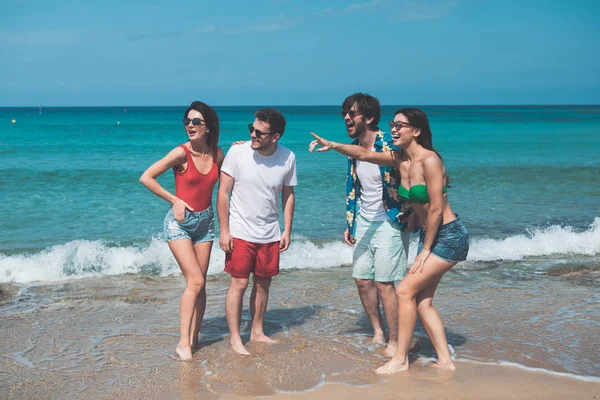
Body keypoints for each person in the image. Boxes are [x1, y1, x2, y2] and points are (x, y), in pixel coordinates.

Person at [309, 107, 469, 373]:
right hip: (431, 235)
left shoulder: (430, 160)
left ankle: (400, 358)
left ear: (416, 131)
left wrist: (425, 250)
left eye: (400, 125)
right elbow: (365, 154)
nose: (394, 129)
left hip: (448, 236)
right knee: (422, 302)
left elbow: (438, 209)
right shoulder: (400, 160)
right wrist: (334, 144)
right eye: (393, 124)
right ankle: (445, 361)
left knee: (405, 291)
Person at [328, 93, 412, 357]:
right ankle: (378, 331)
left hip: (391, 221)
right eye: (345, 113)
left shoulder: (392, 144)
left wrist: (413, 214)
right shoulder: (353, 149)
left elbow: (414, 173)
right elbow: (356, 188)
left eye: (352, 113)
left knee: (386, 283)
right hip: (364, 221)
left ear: (370, 117)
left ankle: (395, 341)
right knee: (362, 279)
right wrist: (351, 222)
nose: (346, 118)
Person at [140, 101, 224, 361]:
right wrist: (174, 199)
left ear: (208, 127)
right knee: (195, 281)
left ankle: (194, 339)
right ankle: (182, 343)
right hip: (179, 224)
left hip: (206, 224)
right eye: (188, 121)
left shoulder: (217, 154)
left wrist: (244, 145)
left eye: (196, 121)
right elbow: (146, 177)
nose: (190, 125)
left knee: (202, 284)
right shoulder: (180, 153)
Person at [217, 107, 297, 355]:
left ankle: (257, 332)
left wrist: (287, 230)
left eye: (259, 132)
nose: (253, 135)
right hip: (240, 232)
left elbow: (288, 195)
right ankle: (234, 338)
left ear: (275, 136)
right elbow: (223, 192)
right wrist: (224, 230)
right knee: (238, 284)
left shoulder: (288, 157)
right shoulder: (237, 152)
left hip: (270, 233)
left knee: (263, 284)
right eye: (251, 129)